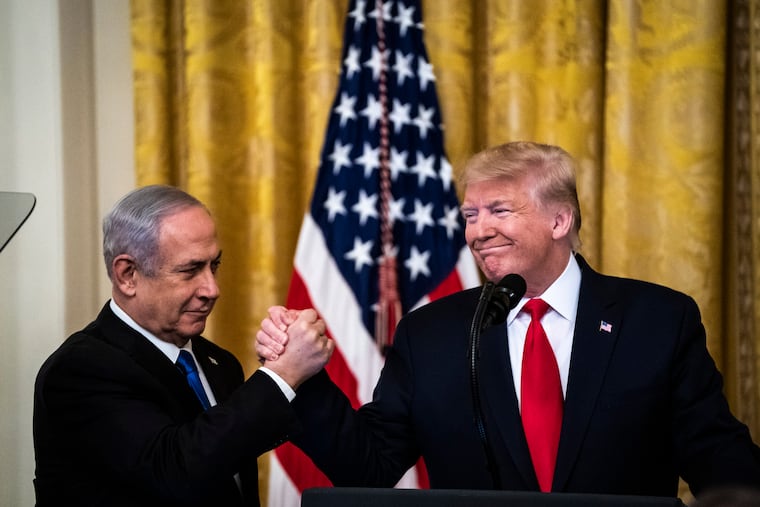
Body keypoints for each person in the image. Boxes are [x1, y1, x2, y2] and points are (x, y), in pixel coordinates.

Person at [256, 142, 760, 499]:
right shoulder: (430, 334)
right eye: (470, 215)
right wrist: (300, 378)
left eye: (498, 210)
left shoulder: (657, 320)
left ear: (559, 220)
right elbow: (369, 467)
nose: (478, 232)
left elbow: (717, 458)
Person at [33, 185, 334, 507]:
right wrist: (282, 375)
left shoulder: (219, 362)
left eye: (214, 266)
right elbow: (175, 474)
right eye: (191, 270)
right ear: (128, 275)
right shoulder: (81, 369)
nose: (212, 289)